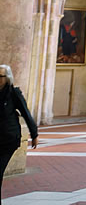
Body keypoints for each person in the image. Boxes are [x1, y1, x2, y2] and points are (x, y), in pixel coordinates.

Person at [0, 64, 38, 204]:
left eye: (1, 77)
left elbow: (26, 113)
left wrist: (34, 134)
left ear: (7, 78)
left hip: (8, 139)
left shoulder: (13, 93)